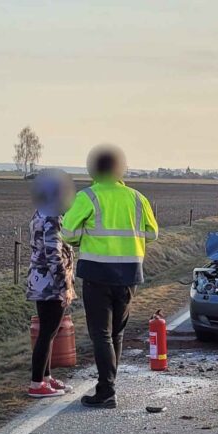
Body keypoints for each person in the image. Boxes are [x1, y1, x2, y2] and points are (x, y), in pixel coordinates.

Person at [61, 145, 159, 409]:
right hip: (129, 274)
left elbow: (67, 233)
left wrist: (87, 237)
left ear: (94, 170)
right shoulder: (138, 198)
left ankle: (106, 391)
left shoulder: (88, 197)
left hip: (97, 272)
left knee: (101, 333)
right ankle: (108, 387)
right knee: (116, 332)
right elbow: (152, 234)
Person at [25, 169, 77, 399]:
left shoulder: (39, 212)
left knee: (49, 332)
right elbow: (53, 253)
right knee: (48, 332)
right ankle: (37, 383)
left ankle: (45, 378)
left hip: (39, 279)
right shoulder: (53, 216)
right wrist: (65, 286)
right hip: (50, 284)